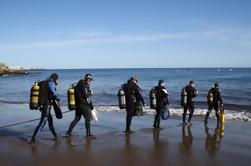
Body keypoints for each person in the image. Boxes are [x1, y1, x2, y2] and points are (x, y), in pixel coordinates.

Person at [30, 73, 61, 144]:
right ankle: (33, 139)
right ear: (55, 78)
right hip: (47, 105)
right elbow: (53, 93)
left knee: (50, 121)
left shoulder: (44, 82)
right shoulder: (51, 83)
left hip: (42, 105)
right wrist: (59, 98)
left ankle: (56, 136)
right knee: (42, 122)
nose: (57, 80)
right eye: (57, 79)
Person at [66, 74, 95, 138]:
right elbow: (86, 96)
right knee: (87, 119)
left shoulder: (78, 85)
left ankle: (68, 133)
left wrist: (91, 104)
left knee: (77, 119)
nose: (91, 81)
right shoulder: (84, 84)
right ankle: (88, 134)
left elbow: (82, 96)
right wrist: (91, 93)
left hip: (77, 105)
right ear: (88, 78)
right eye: (90, 80)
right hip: (83, 105)